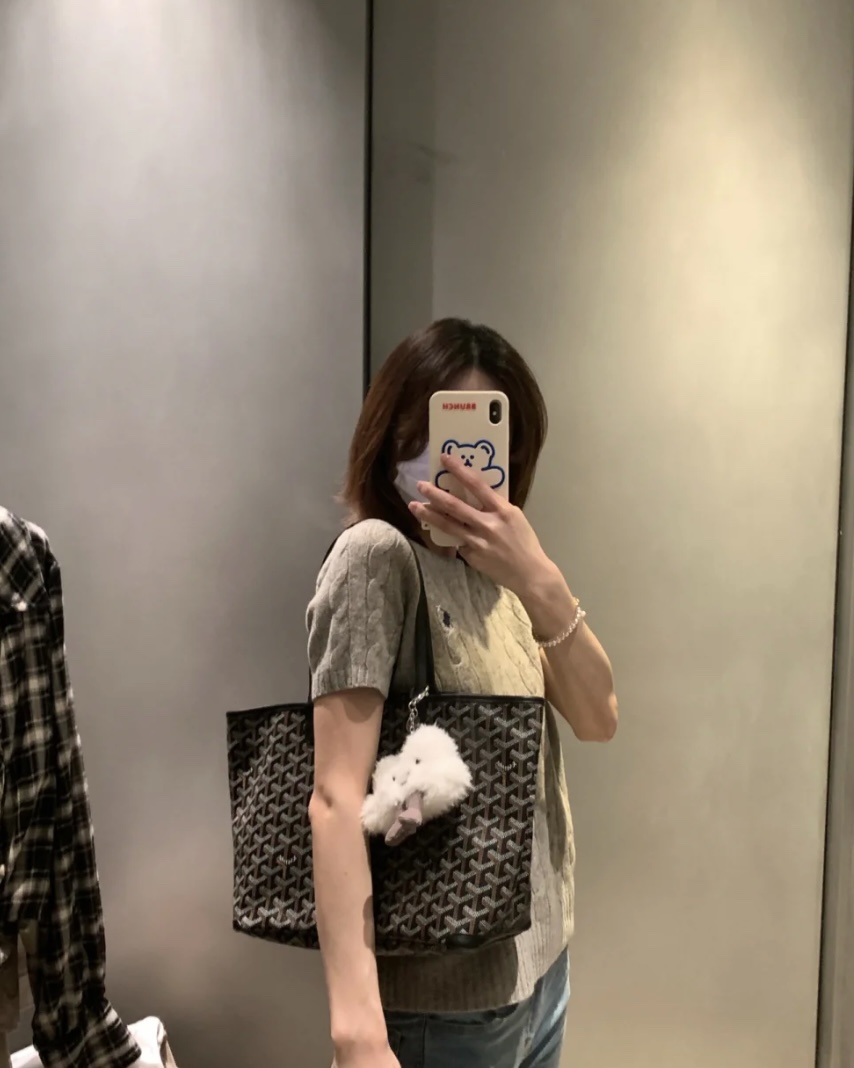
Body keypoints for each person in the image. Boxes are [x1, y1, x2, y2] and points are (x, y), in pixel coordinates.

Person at [307, 318, 618, 1068]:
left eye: (483, 439)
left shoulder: (503, 578)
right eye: (433, 432)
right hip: (443, 1009)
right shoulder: (376, 557)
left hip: (540, 974)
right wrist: (358, 1033)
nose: (457, 461)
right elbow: (335, 797)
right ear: (391, 438)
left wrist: (539, 577)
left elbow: (599, 716)